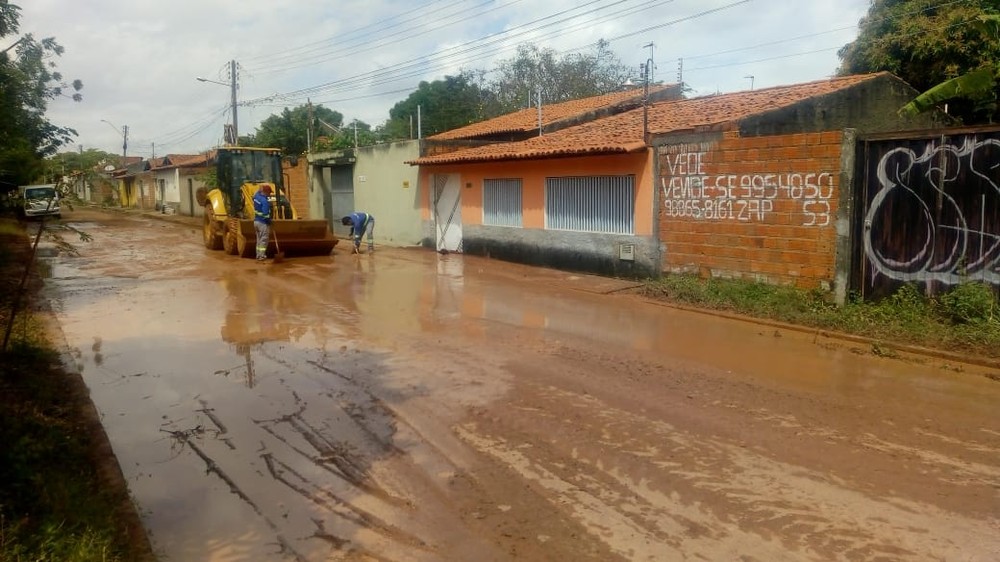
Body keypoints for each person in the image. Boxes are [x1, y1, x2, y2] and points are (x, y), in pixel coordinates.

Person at [252, 184, 273, 261]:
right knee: (264, 239)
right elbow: (265, 214)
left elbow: (255, 194)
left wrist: (259, 189)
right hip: (262, 223)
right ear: (266, 192)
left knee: (259, 239)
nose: (269, 194)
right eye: (269, 192)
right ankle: (261, 256)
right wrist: (269, 221)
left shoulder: (256, 197)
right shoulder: (264, 201)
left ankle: (258, 255)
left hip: (256, 222)